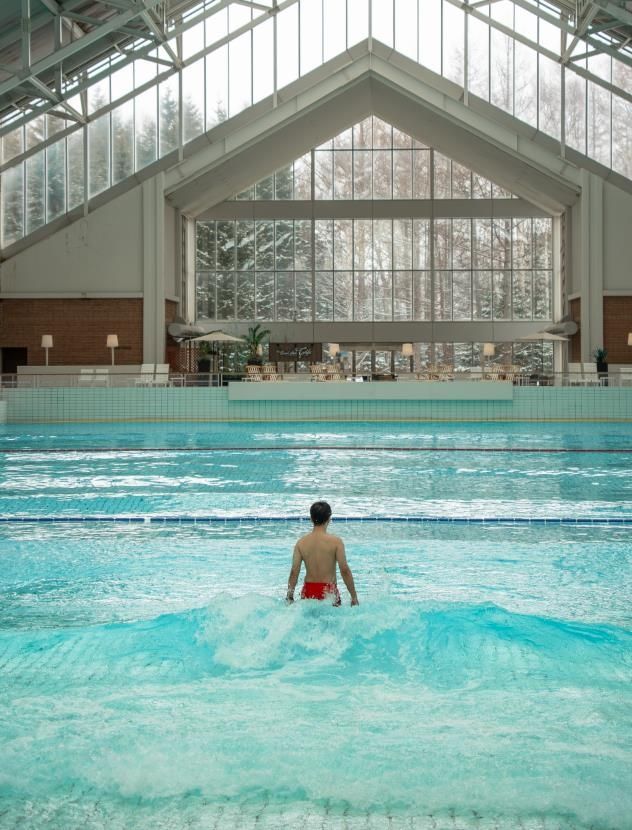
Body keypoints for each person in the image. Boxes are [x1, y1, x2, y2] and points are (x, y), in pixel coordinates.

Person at [286, 501, 359, 606]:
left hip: (308, 591)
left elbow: (294, 572)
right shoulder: (336, 542)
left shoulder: (301, 543)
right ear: (329, 519)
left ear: (311, 518)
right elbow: (344, 570)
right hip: (328, 592)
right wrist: (354, 597)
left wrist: (289, 596)